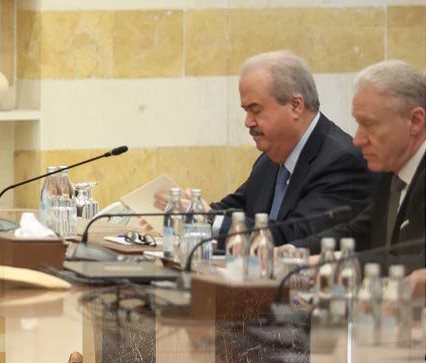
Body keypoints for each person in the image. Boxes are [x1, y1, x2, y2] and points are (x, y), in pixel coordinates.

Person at [154, 50, 372, 246]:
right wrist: (187, 210)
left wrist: (207, 218)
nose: (248, 122)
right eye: (246, 111)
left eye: (256, 110)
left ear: (295, 105)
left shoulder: (342, 161)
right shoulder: (272, 157)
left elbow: (296, 236)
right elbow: (234, 209)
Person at [300, 60, 425, 281]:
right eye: (358, 124)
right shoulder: (392, 170)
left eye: (370, 125)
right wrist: (293, 253)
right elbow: (358, 232)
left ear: (415, 121)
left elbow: (417, 262)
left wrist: (342, 264)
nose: (357, 140)